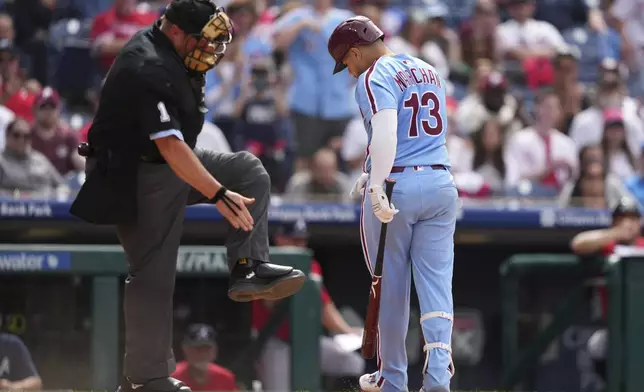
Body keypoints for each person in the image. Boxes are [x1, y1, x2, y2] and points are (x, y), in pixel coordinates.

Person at [69, 1, 305, 391]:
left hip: (166, 163)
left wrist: (219, 186)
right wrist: (217, 194)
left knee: (247, 171)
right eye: (204, 39)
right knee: (153, 272)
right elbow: (170, 147)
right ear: (176, 30)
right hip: (130, 173)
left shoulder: (176, 52)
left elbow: (178, 151)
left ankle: (248, 266)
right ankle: (147, 380)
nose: (210, 49)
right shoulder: (146, 64)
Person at [328, 16, 458, 392]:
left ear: (355, 51)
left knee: (390, 286)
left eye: (346, 62)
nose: (349, 71)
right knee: (436, 284)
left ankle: (392, 379)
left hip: (397, 184)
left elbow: (386, 128)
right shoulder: (427, 68)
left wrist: (378, 184)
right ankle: (437, 377)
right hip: (440, 180)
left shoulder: (372, 76)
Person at [254, 219, 365, 391]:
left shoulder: (311, 265)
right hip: (276, 342)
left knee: (352, 363)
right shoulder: (266, 263)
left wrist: (347, 331)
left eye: (302, 240)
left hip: (308, 341)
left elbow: (325, 306)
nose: (299, 245)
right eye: (293, 240)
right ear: (279, 239)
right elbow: (269, 304)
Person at [171, 324, 238, 391]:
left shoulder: (225, 378)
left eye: (206, 348)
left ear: (215, 350)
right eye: (197, 348)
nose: (202, 353)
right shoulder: (172, 379)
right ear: (185, 349)